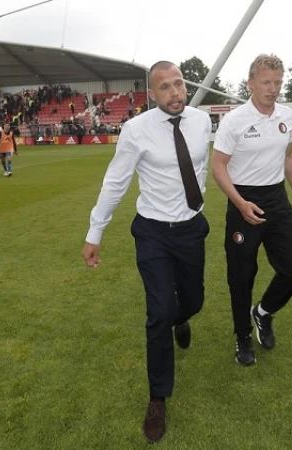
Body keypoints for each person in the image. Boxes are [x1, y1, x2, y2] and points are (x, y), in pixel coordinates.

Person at [82, 60, 212, 443]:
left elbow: (206, 167)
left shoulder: (202, 121)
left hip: (191, 229)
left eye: (179, 84)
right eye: (165, 88)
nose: (175, 93)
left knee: (193, 301)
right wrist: (95, 232)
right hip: (153, 233)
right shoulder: (135, 130)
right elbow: (116, 181)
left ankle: (181, 317)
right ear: (152, 94)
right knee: (158, 314)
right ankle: (158, 398)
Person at [211, 54, 292, 367]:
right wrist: (240, 203)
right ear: (251, 83)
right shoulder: (234, 121)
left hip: (276, 199)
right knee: (241, 276)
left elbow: (290, 155)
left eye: (278, 82)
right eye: (266, 82)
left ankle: (263, 313)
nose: (273, 89)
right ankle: (242, 336)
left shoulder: (285, 115)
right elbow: (218, 166)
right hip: (243, 200)